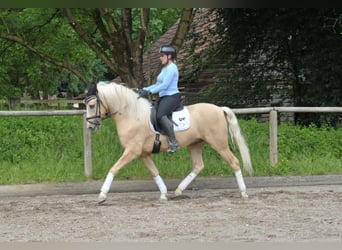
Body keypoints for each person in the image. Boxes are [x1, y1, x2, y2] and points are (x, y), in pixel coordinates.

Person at [138, 44, 181, 153]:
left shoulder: (172, 68)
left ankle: (173, 142)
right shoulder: (164, 69)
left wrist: (149, 92)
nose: (160, 58)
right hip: (164, 97)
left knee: (160, 115)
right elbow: (157, 84)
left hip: (172, 96)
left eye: (162, 55)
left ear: (169, 56)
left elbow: (165, 85)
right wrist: (144, 89)